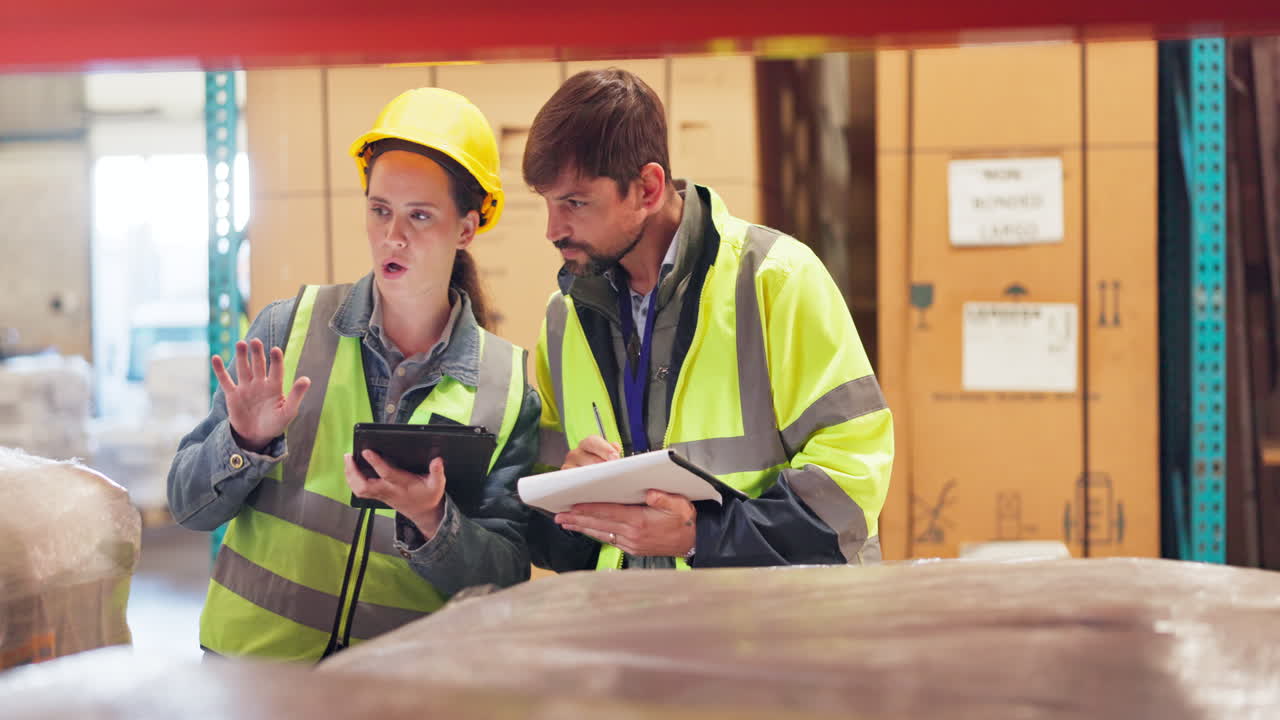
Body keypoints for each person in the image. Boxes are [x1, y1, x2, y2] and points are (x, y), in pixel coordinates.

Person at [168, 88, 541, 661]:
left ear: (467, 229)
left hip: (393, 689)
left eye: (420, 215)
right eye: (380, 210)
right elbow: (188, 506)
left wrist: (433, 520)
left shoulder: (506, 386)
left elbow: (507, 576)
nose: (393, 236)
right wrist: (242, 443)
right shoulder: (287, 330)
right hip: (252, 680)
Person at [524, 69, 893, 571]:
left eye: (575, 202)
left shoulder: (776, 279)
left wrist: (703, 536)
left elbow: (851, 482)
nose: (553, 229)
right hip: (633, 618)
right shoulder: (563, 317)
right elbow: (551, 530)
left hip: (773, 618)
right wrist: (568, 491)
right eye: (547, 202)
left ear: (648, 188)